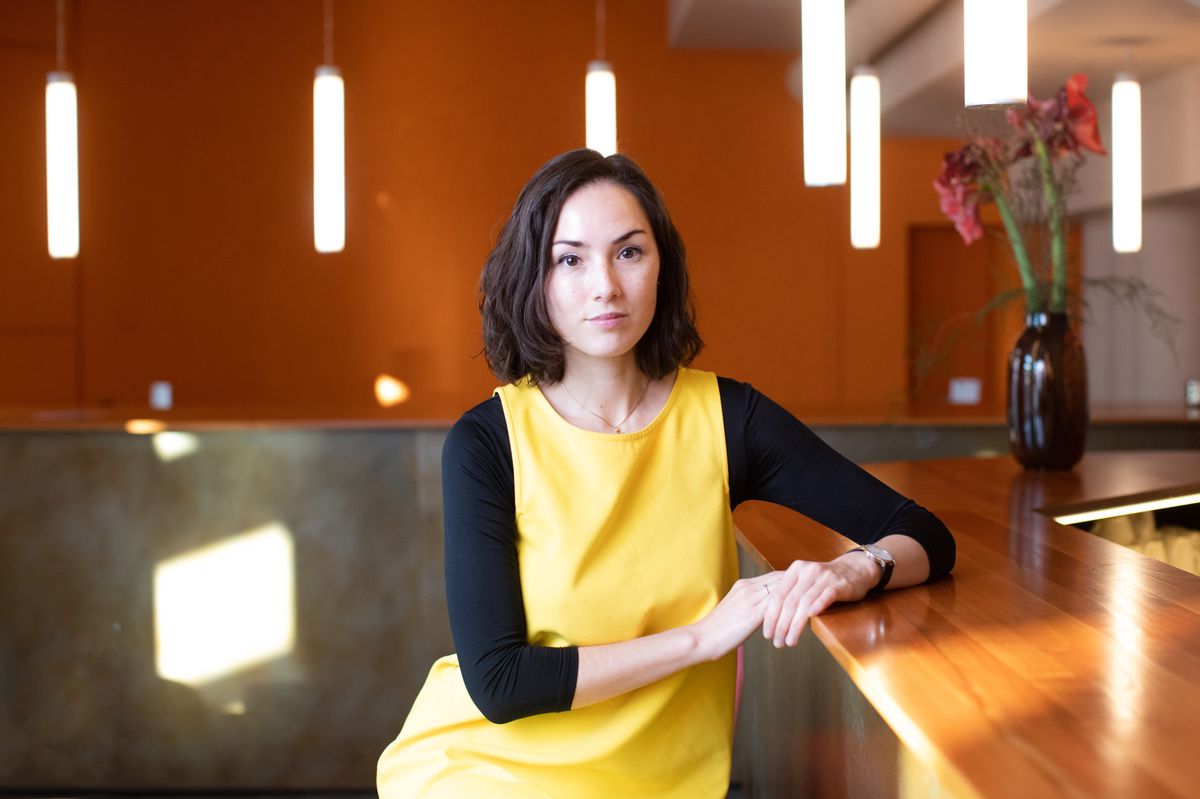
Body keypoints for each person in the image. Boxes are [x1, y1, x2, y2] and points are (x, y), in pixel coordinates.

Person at [376, 149, 955, 798]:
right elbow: (501, 682)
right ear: (534, 279)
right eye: (570, 258)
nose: (605, 285)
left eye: (629, 252)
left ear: (662, 266)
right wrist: (703, 638)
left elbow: (921, 532)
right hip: (487, 770)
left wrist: (855, 568)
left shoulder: (730, 418)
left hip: (660, 780)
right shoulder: (487, 442)